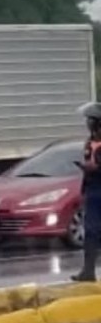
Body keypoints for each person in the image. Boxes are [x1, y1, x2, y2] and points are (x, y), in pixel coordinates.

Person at [73, 102, 101, 282]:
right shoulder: (90, 142)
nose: (88, 124)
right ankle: (88, 271)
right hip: (92, 189)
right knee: (90, 231)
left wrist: (95, 169)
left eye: (91, 120)